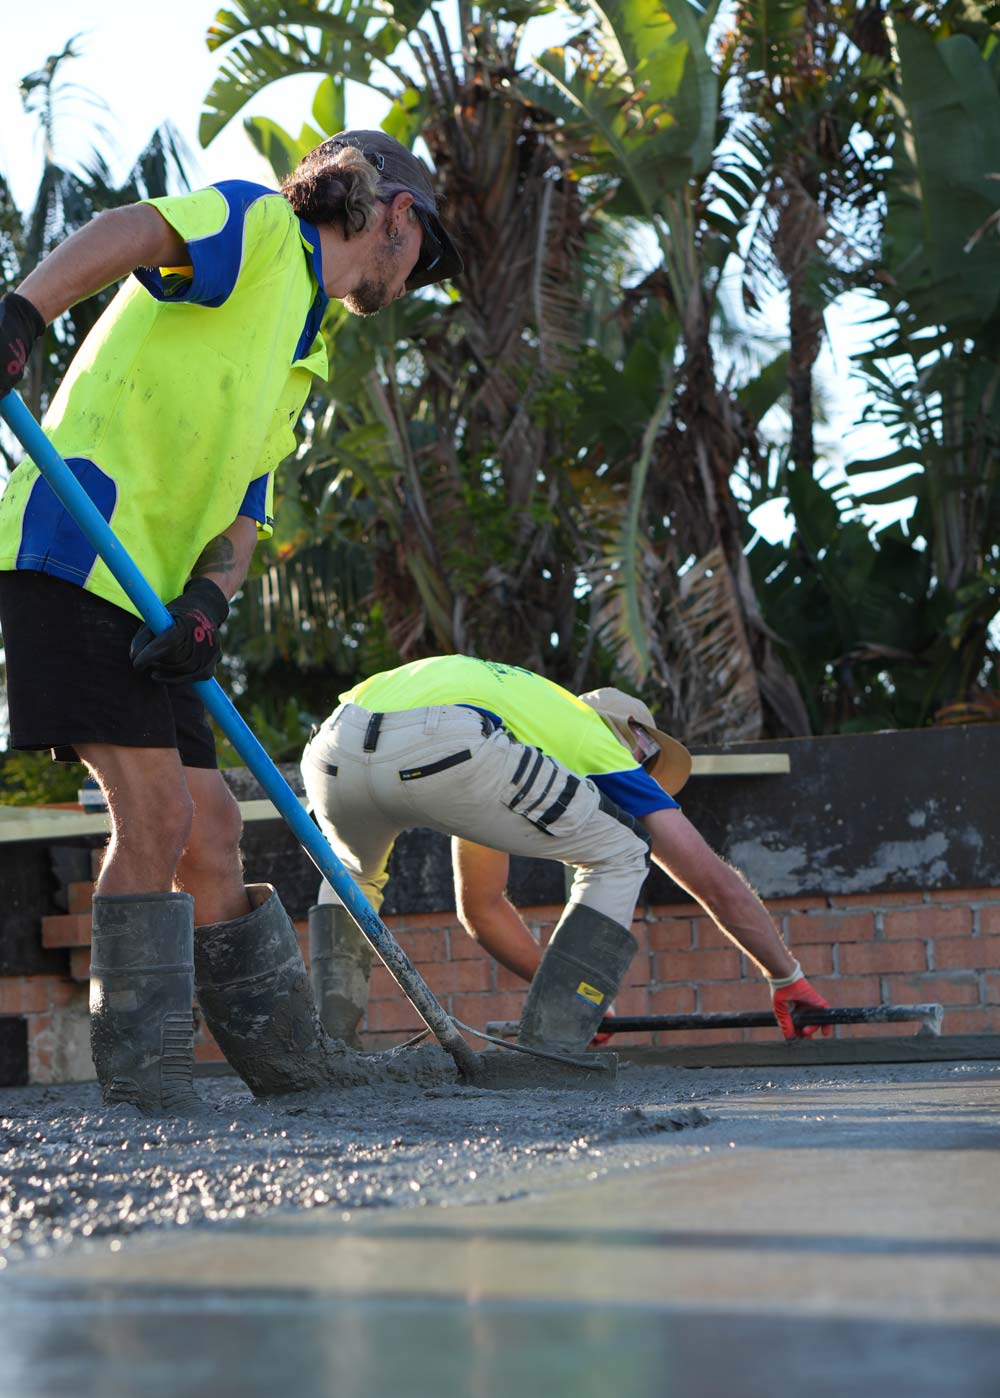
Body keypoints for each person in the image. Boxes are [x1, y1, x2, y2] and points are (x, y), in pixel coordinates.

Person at [0, 132, 463, 1114]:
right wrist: (21, 310)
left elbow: (243, 510)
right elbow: (132, 230)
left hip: (159, 603)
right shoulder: (257, 225)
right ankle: (145, 1080)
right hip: (77, 552)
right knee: (158, 816)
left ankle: (289, 1067)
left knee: (212, 828)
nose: (419, 278)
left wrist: (211, 603)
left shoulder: (299, 341)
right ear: (397, 215)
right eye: (426, 254)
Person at [301, 655, 831, 1056]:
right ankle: (555, 1049)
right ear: (634, 740)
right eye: (645, 767)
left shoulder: (522, 722)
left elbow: (481, 908)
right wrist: (788, 979)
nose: (641, 784)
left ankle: (331, 1047)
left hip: (333, 747)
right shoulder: (592, 736)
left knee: (351, 874)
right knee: (623, 850)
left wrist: (571, 990)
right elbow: (710, 878)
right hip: (451, 740)